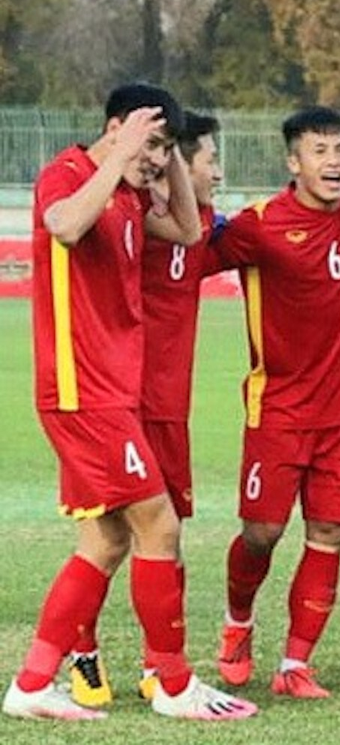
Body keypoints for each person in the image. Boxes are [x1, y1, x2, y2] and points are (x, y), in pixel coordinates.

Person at [4, 83, 255, 721]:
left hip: (113, 392)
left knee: (107, 540)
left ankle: (32, 684)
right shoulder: (68, 173)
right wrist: (121, 154)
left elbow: (190, 230)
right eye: (153, 144)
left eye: (168, 148)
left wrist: (163, 157)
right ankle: (172, 684)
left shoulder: (129, 195)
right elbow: (63, 226)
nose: (157, 159)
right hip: (81, 390)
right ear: (114, 128)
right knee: (159, 527)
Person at [213, 106, 340, 699]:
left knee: (329, 533)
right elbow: (187, 259)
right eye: (320, 151)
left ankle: (295, 664)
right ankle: (238, 622)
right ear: (293, 162)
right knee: (262, 533)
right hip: (279, 411)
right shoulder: (258, 226)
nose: (334, 162)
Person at [65, 111, 229, 708]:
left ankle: (160, 666)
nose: (217, 172)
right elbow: (68, 224)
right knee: (104, 539)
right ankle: (82, 654)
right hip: (111, 402)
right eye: (209, 159)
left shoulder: (203, 227)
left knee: (166, 537)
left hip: (168, 410)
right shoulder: (123, 210)